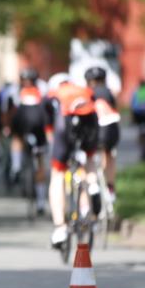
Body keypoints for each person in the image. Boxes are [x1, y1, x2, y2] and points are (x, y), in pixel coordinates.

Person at [46, 73, 100, 248]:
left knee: (58, 174)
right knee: (88, 162)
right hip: (89, 122)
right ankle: (92, 188)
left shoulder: (53, 94)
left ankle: (60, 228)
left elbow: (47, 120)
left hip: (65, 124)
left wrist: (50, 139)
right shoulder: (83, 90)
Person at [6, 68, 49, 215]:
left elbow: (9, 110)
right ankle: (41, 202)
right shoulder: (43, 88)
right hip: (39, 125)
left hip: (22, 121)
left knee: (16, 138)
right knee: (40, 161)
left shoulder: (15, 90)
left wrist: (7, 128)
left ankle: (16, 166)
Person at [85, 66, 120, 203]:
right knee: (109, 155)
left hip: (94, 130)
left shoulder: (87, 93)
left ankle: (93, 185)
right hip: (111, 130)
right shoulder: (109, 93)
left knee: (90, 157)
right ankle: (110, 189)